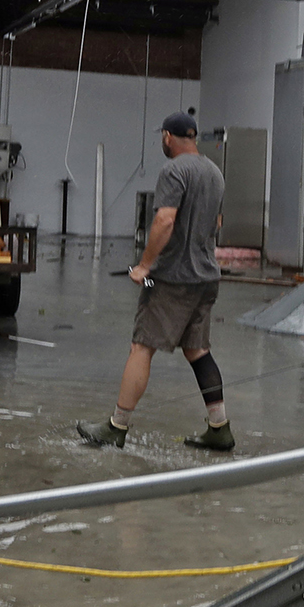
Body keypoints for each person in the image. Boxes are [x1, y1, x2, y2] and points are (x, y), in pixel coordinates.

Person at [77, 111, 234, 452]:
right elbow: (217, 221)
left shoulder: (174, 170)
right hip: (206, 278)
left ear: (167, 137)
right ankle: (219, 428)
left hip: (169, 280)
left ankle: (116, 427)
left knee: (141, 345)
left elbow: (165, 219)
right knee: (197, 349)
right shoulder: (215, 172)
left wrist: (145, 266)